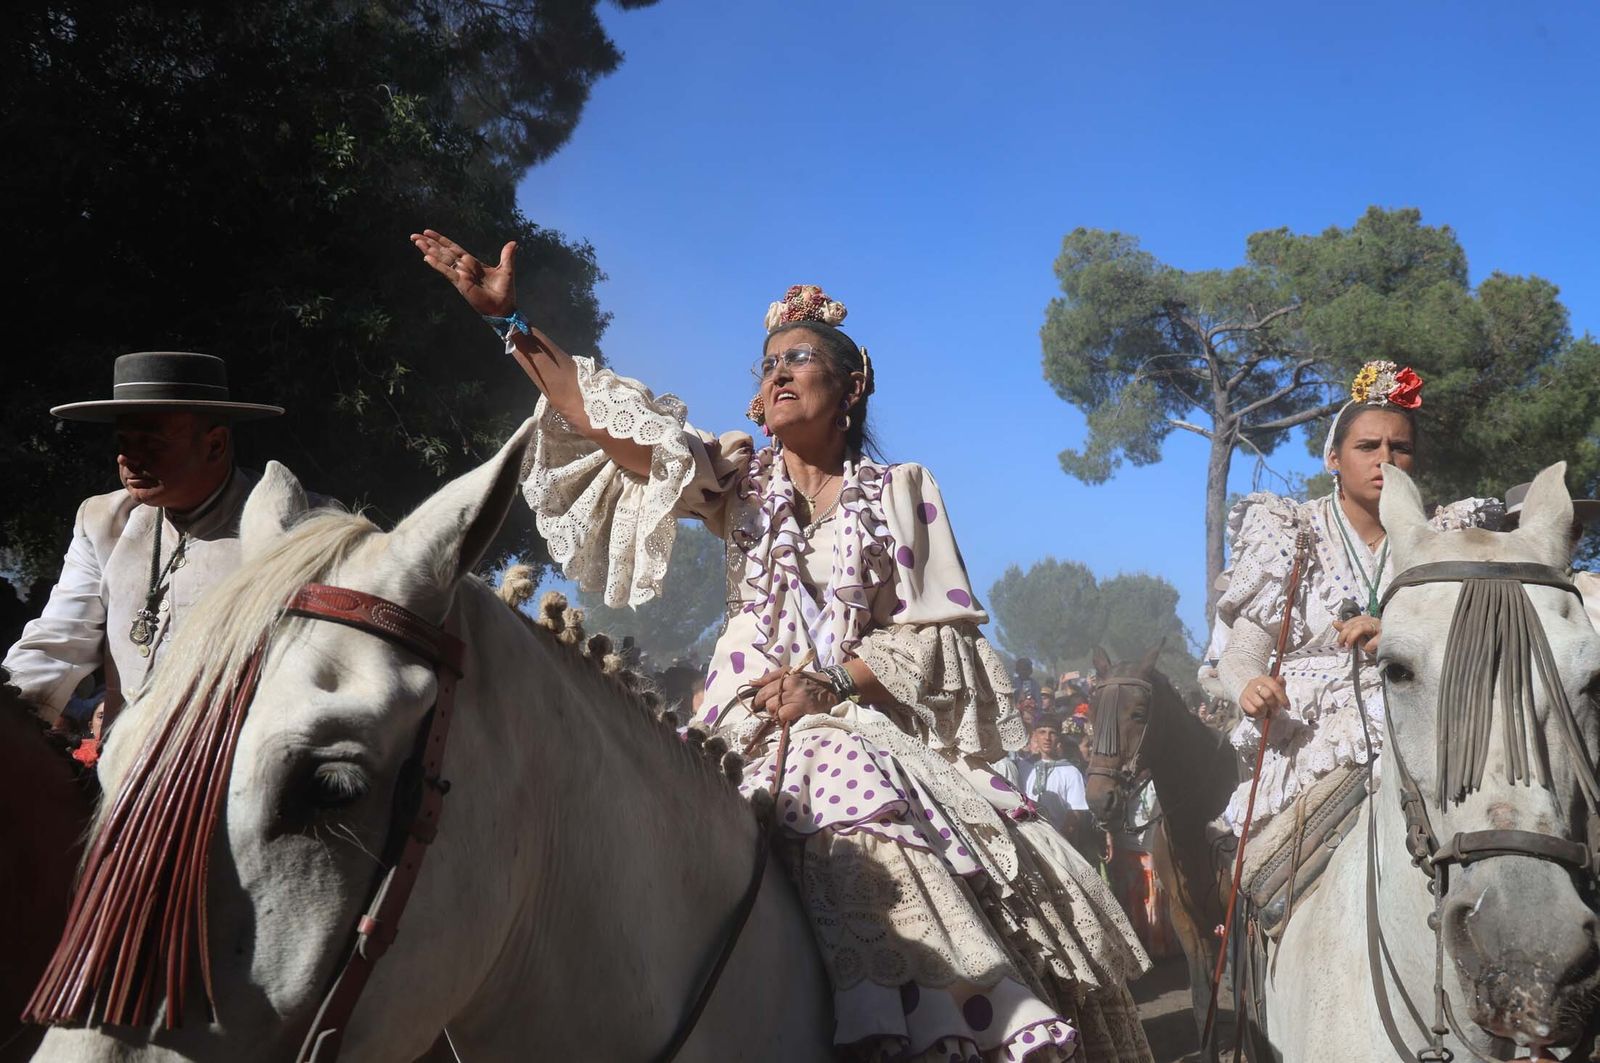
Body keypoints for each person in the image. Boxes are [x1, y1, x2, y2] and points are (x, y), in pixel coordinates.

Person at [412, 230, 1152, 1062]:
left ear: (853, 383)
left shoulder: (903, 489)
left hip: (856, 724)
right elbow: (618, 430)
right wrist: (511, 321)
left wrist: (831, 683)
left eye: (799, 358)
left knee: (857, 793)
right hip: (734, 728)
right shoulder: (734, 482)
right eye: (767, 366)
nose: (777, 373)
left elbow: (936, 638)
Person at [1214, 361, 1502, 834]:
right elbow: (1243, 650)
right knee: (1262, 882)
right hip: (1304, 745)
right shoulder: (1287, 531)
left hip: (1425, 740)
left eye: (1400, 448)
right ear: (1334, 458)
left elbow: (1481, 650)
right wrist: (1248, 685)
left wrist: (1396, 637)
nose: (1384, 459)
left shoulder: (1447, 538)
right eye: (1367, 446)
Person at [3, 352, 286, 726]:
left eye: (151, 443)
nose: (128, 458)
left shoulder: (288, 526)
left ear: (215, 445)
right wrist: (9, 704)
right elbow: (60, 642)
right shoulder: (102, 520)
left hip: (229, 766)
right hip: (123, 769)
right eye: (124, 441)